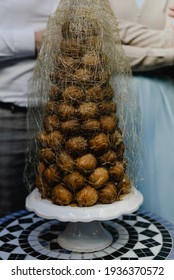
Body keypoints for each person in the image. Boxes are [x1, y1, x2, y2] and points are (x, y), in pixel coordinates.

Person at [107, 0, 174, 224]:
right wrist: (167, 53)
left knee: (163, 183)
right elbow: (101, 48)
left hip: (162, 101)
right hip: (109, 100)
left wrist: (122, 39)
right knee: (108, 182)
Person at [0, 0, 59, 217]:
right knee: (7, 211)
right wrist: (33, 40)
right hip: (10, 115)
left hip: (64, 115)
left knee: (61, 207)